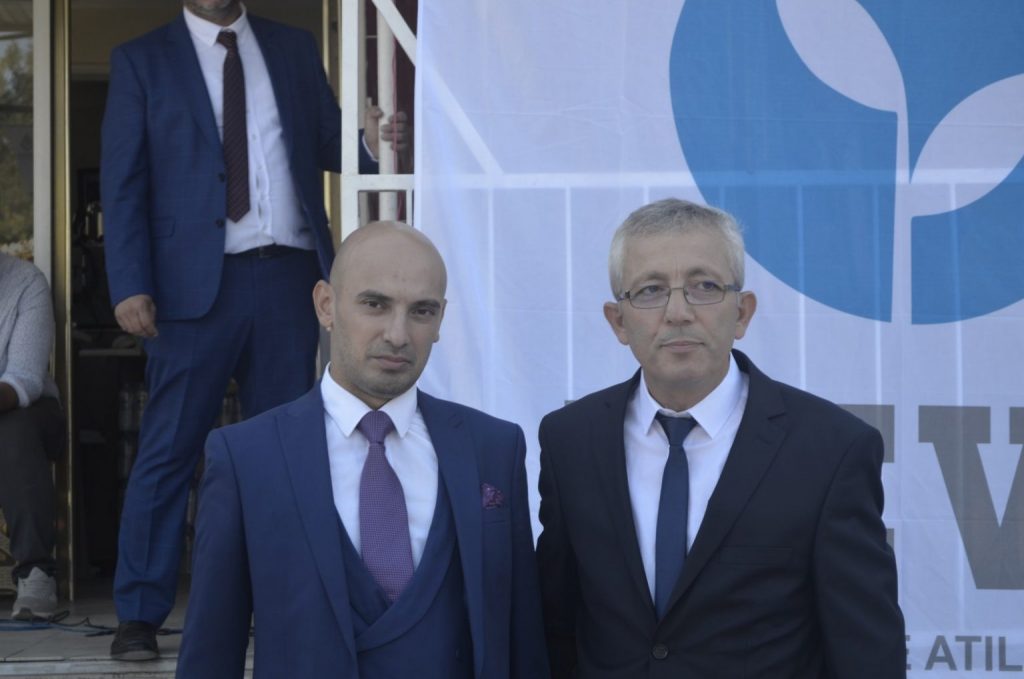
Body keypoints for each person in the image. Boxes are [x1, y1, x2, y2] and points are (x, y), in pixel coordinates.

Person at [100, 0, 407, 660]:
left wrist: (370, 139)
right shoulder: (141, 61)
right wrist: (128, 282)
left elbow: (328, 142)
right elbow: (122, 182)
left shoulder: (292, 47)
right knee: (169, 449)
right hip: (188, 289)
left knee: (290, 454)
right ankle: (139, 613)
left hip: (289, 277)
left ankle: (284, 603)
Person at [536, 198, 905, 678]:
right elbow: (556, 628)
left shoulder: (831, 450)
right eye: (650, 290)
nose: (678, 312)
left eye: (704, 286)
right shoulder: (569, 442)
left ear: (743, 313)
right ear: (618, 321)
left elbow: (866, 652)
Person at [176, 221, 549, 678]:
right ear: (326, 305)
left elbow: (523, 640)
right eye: (375, 304)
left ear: (440, 321)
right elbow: (211, 651)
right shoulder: (246, 458)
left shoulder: (494, 447)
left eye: (422, 311)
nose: (397, 334)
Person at [0, 252, 64, 620]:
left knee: (13, 427)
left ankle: (35, 571)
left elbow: (24, 378)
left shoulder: (26, 281)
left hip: (26, 411)